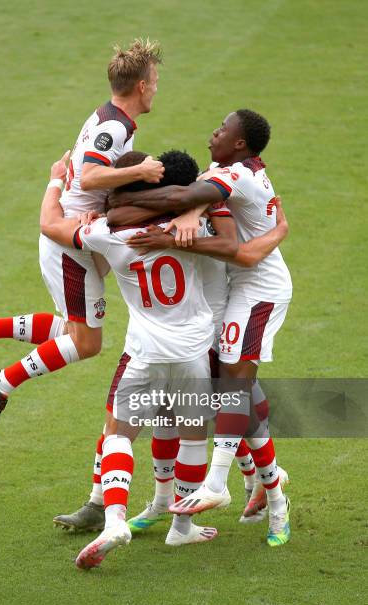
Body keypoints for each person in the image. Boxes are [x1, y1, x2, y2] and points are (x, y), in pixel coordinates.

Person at [0, 39, 164, 440]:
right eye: (155, 80)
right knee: (85, 341)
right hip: (69, 244)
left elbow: (86, 179)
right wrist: (140, 173)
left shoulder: (111, 119)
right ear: (141, 87)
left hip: (81, 236)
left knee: (77, 331)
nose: (156, 87)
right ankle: (0, 383)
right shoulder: (114, 127)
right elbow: (92, 176)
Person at [44, 149, 236, 568]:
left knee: (117, 434)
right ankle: (181, 529)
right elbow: (218, 183)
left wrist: (57, 180)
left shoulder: (104, 233)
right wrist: (192, 206)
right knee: (191, 435)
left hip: (144, 352)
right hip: (192, 350)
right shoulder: (190, 225)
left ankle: (114, 519)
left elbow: (50, 225)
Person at [109, 109, 292, 546]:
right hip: (208, 319)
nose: (213, 132)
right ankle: (167, 499)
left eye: (223, 129)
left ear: (241, 144)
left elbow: (242, 254)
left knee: (238, 397)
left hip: (240, 303)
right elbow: (197, 197)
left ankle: (265, 494)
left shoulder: (228, 187)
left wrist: (165, 218)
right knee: (185, 410)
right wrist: (184, 211)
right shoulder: (216, 182)